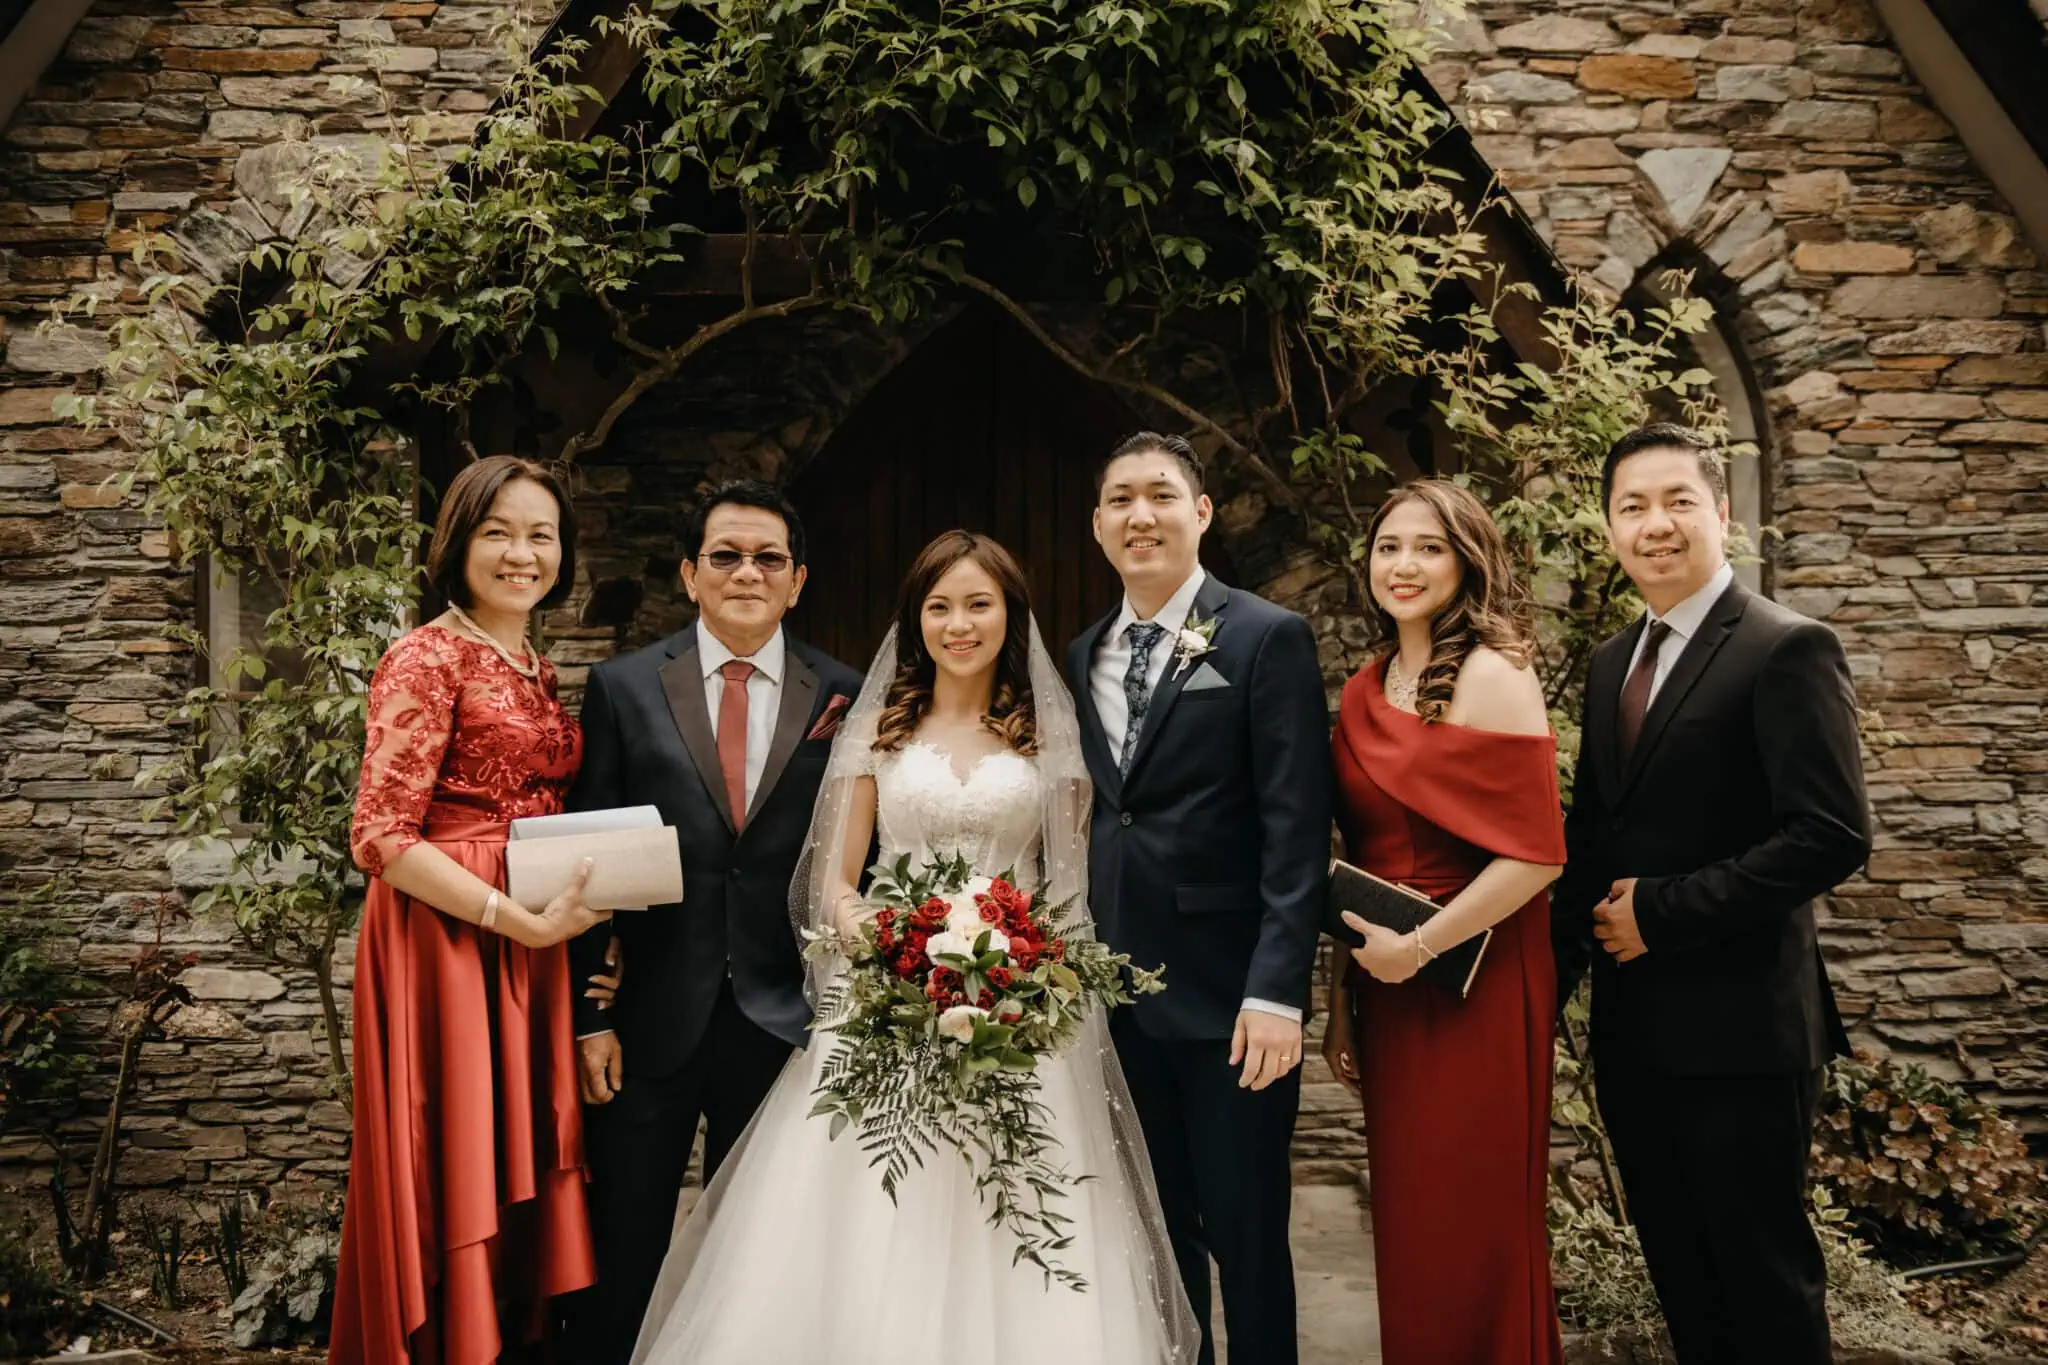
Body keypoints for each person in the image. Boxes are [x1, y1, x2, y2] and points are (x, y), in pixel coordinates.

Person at [628, 530, 1199, 1364]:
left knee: (1018, 1216)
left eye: (978, 604)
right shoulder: (878, 732)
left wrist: (1025, 967)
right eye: (939, 606)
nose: (958, 624)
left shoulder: (1051, 735)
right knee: (866, 1220)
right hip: (887, 1005)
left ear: (1011, 615)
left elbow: (1067, 888)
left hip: (1018, 1015)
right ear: (915, 620)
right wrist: (897, 943)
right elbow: (836, 884)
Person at [1552, 423, 1873, 1364]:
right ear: (1610, 526)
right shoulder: (1615, 661)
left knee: (1765, 1289)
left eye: (1677, 501)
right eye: (1632, 506)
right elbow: (1596, 835)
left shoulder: (1786, 647)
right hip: (1636, 1034)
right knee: (1686, 1286)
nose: (1655, 524)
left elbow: (1831, 834)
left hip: (1743, 1036)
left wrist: (1661, 911)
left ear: (1721, 515)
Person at [560, 480, 864, 1365]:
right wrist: (592, 1015)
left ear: (798, 580)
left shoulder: (841, 694)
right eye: (725, 555)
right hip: (651, 1020)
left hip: (783, 1027)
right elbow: (591, 851)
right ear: (691, 574)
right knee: (624, 1255)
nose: (747, 571)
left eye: (769, 557)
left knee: (760, 1269)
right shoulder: (622, 687)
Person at [332, 455, 613, 1365]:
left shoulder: (533, 663)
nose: (522, 553)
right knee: (449, 1154)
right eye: (498, 532)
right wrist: (508, 917)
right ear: (457, 542)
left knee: (513, 1152)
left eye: (541, 534)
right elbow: (379, 834)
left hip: (525, 934)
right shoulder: (426, 653)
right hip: (447, 938)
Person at [1066, 433, 1332, 1365]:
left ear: (1200, 512)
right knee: (1155, 1238)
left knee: (1248, 1235)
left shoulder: (1265, 636)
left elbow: (1297, 830)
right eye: (1121, 499)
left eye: (1162, 496)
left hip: (1232, 1002)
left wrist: (1277, 990)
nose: (1142, 515)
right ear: (1098, 526)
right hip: (1114, 1000)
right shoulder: (1078, 654)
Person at [1320, 479, 1566, 1364]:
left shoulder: (1498, 674)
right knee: (1414, 1220)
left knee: (1477, 1216)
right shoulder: (1362, 690)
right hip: (1388, 988)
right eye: (1389, 547)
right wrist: (1346, 994)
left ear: (1467, 560)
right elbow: (1359, 861)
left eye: (1428, 547)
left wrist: (1420, 944)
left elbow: (1537, 855)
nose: (1405, 565)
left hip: (1481, 982)